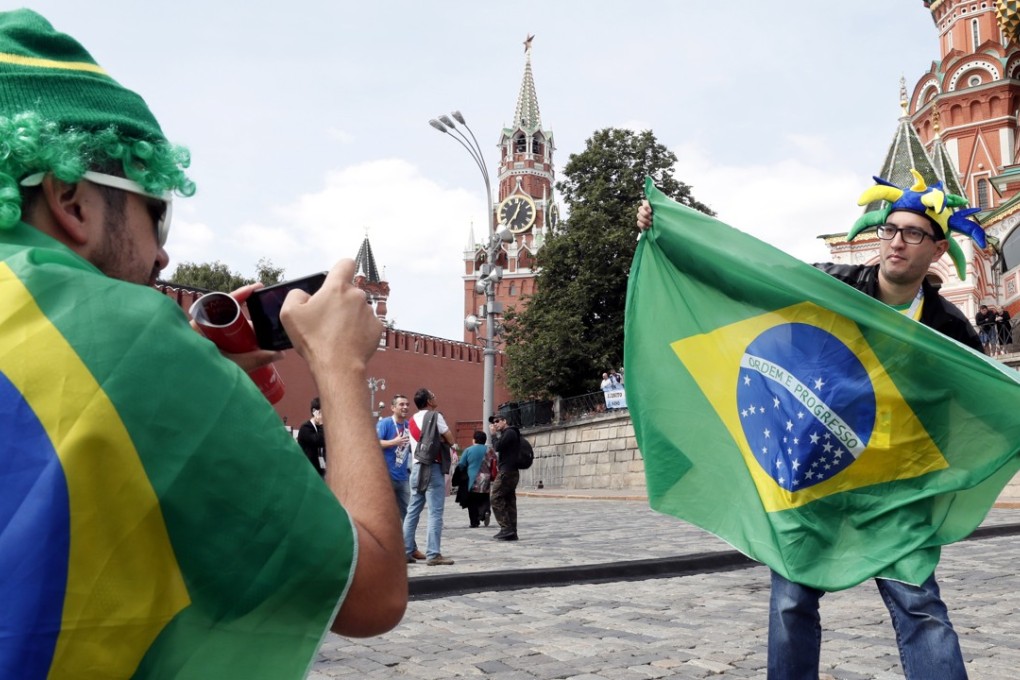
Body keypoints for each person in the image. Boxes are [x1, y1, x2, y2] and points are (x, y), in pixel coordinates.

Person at [0, 10, 405, 676]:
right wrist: (338, 363)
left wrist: (202, 385)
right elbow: (372, 592)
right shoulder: (128, 342)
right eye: (153, 208)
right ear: (71, 200)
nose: (162, 254)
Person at [637, 168, 982, 680]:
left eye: (913, 234)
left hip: (896, 490)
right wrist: (673, 236)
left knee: (921, 608)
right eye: (890, 229)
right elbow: (752, 273)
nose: (896, 242)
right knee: (790, 604)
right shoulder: (833, 286)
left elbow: (987, 400)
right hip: (814, 477)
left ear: (936, 250)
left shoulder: (950, 329)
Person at [403, 387, 456, 566]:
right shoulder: (435, 416)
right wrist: (444, 439)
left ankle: (405, 550)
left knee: (413, 511)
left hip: (417, 467)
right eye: (432, 396)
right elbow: (450, 438)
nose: (435, 397)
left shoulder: (411, 420)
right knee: (435, 512)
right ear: (428, 401)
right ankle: (433, 554)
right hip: (432, 466)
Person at [377, 394, 412, 522]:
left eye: (407, 404)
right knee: (385, 515)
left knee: (408, 515)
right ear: (393, 407)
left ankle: (409, 542)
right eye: (401, 404)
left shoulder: (409, 426)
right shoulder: (385, 423)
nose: (405, 407)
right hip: (386, 477)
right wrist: (394, 442)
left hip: (403, 477)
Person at [489, 414, 522, 541]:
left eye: (497, 421)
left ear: (504, 421)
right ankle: (512, 531)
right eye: (493, 422)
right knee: (509, 500)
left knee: (495, 498)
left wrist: (493, 435)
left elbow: (497, 447)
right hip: (510, 471)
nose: (495, 424)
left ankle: (506, 528)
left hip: (507, 471)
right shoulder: (510, 433)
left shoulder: (509, 432)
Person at [455, 430, 493, 527]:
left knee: (472, 501)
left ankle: (474, 522)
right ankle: (485, 512)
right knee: (484, 497)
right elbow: (495, 462)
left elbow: (462, 464)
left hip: (472, 479)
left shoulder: (468, 450)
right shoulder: (490, 450)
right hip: (486, 478)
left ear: (474, 440)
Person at [298, 396, 327, 477]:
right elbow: (320, 440)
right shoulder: (306, 428)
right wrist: (321, 423)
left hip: (321, 472)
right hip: (308, 474)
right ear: (314, 411)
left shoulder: (322, 428)